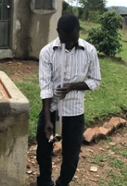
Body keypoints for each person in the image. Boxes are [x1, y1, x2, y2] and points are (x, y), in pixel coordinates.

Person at [36, 14, 101, 186]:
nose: (69, 44)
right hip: (54, 114)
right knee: (45, 149)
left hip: (74, 114)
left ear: (78, 31)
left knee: (71, 156)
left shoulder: (89, 51)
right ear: (58, 32)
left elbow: (95, 80)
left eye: (73, 39)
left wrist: (73, 86)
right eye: (65, 40)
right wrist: (48, 120)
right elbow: (46, 86)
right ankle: (44, 181)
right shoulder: (47, 52)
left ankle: (62, 183)